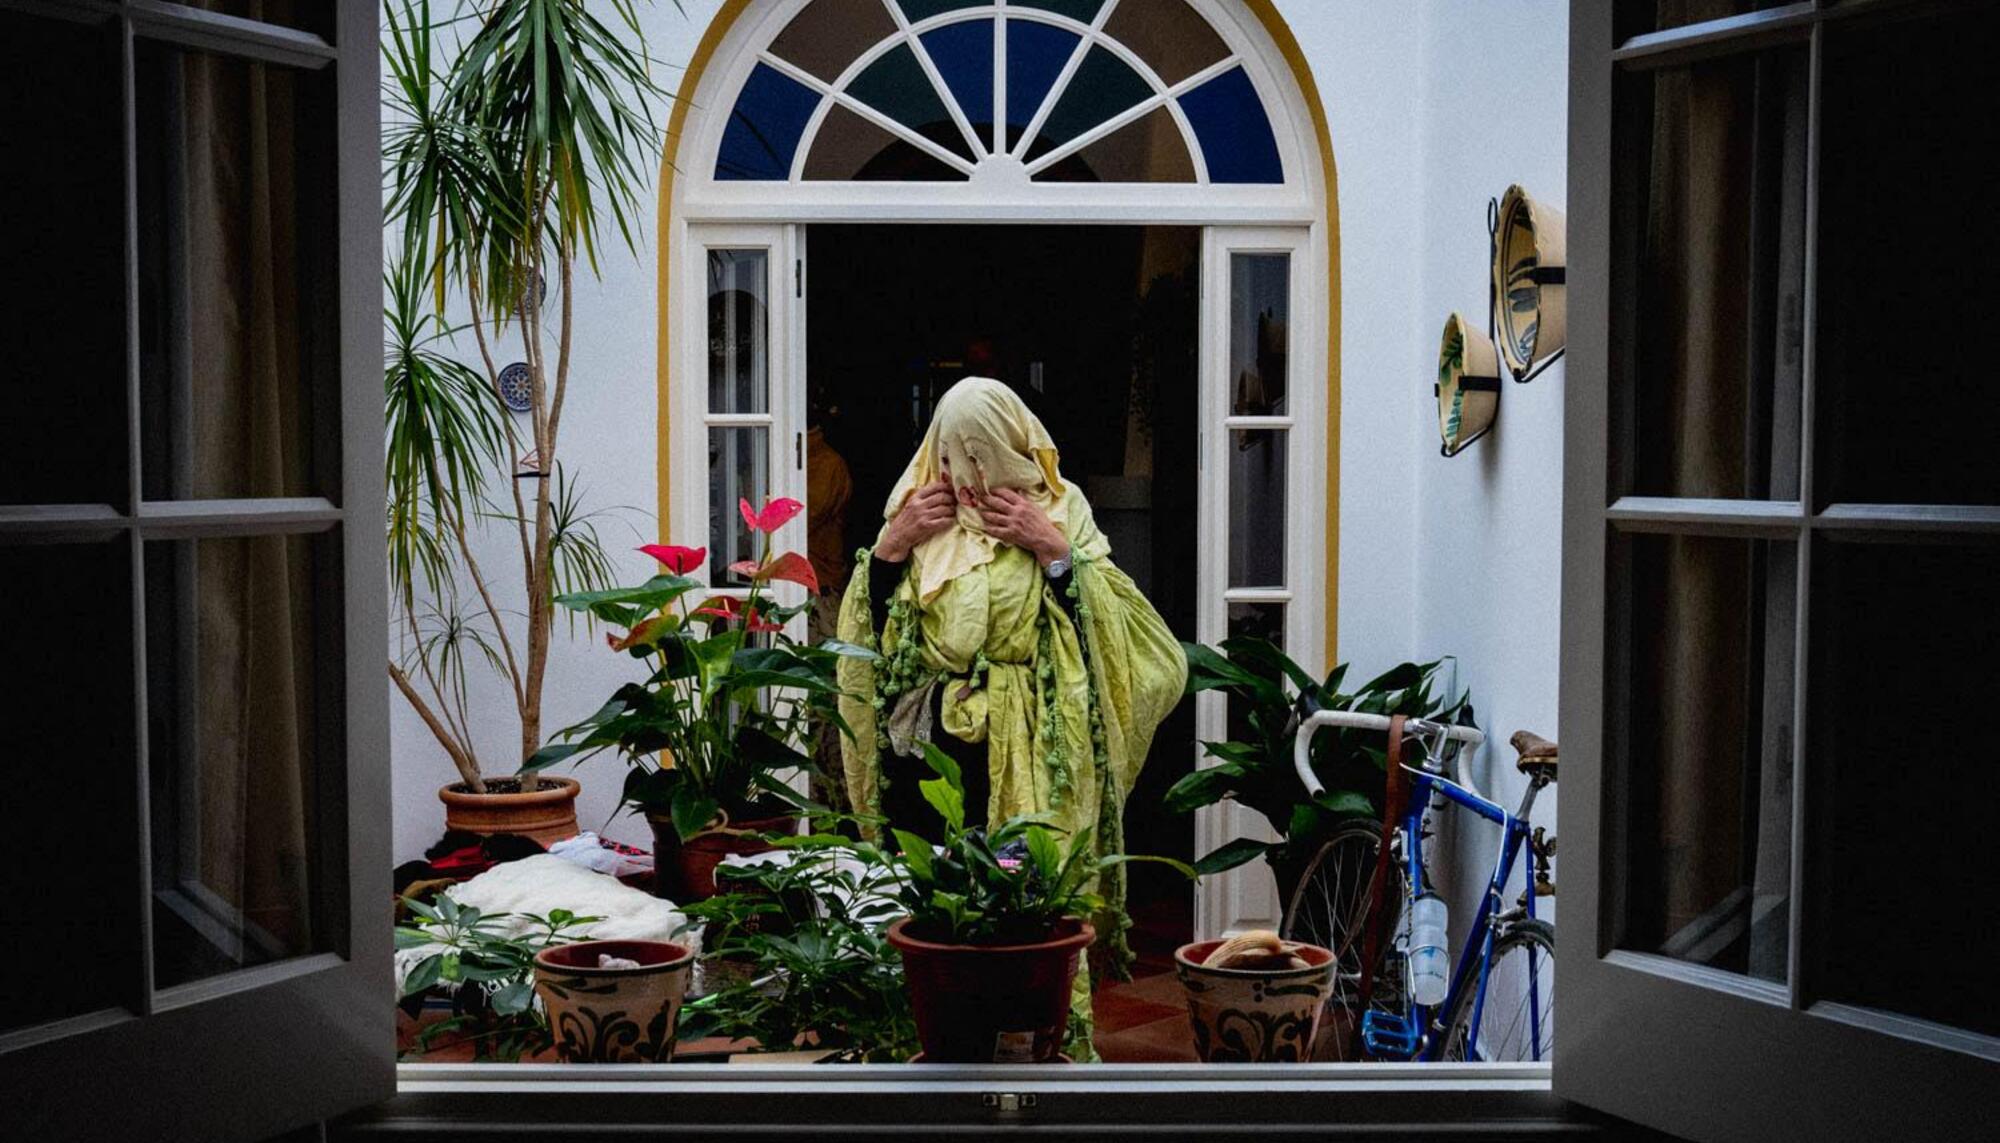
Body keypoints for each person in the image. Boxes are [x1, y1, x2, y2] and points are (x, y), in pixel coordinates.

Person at [833, 377, 1186, 1053]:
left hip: (1034, 751)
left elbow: (1127, 640)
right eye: (954, 451)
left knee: (1034, 910)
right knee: (939, 914)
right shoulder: (914, 513)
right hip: (933, 758)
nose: (969, 470)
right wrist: (891, 547)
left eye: (983, 449)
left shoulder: (1063, 511)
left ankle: (1037, 1050)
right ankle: (946, 1053)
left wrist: (1052, 549)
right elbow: (867, 642)